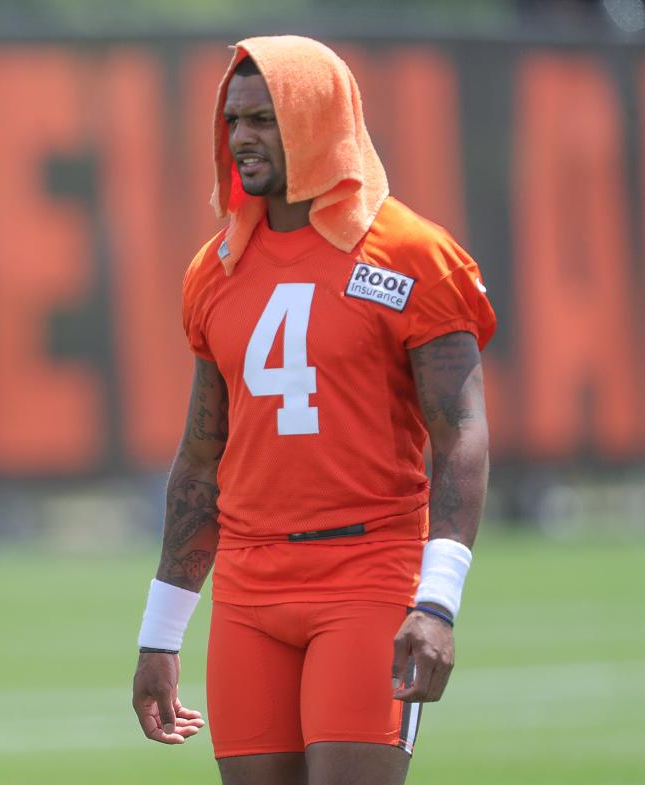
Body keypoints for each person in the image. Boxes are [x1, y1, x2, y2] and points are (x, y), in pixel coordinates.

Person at [131, 35, 495, 785]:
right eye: (232, 120)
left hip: (368, 569)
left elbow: (460, 435)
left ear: (318, 119)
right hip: (249, 580)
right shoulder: (216, 268)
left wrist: (438, 599)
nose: (241, 139)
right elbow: (202, 456)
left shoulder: (410, 254)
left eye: (264, 119)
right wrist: (160, 632)